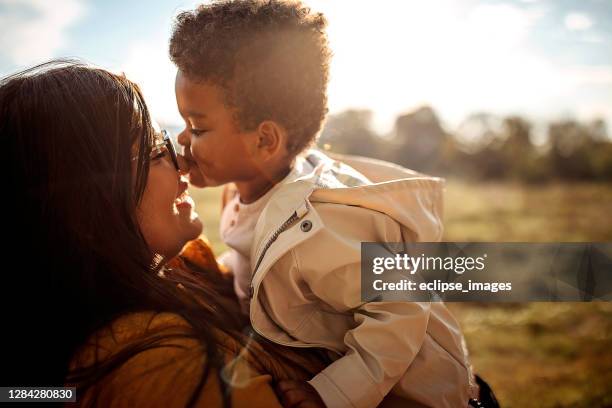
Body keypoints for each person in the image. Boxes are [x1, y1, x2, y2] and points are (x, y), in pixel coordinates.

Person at [170, 1, 481, 407]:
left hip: (413, 394)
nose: (181, 139)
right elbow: (256, 260)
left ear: (264, 140)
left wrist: (332, 394)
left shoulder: (324, 221)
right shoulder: (244, 190)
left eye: (197, 127)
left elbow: (400, 308)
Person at [0, 60, 328, 407]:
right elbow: (385, 286)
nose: (183, 164)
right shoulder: (160, 371)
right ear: (85, 206)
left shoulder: (179, 272)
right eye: (157, 151)